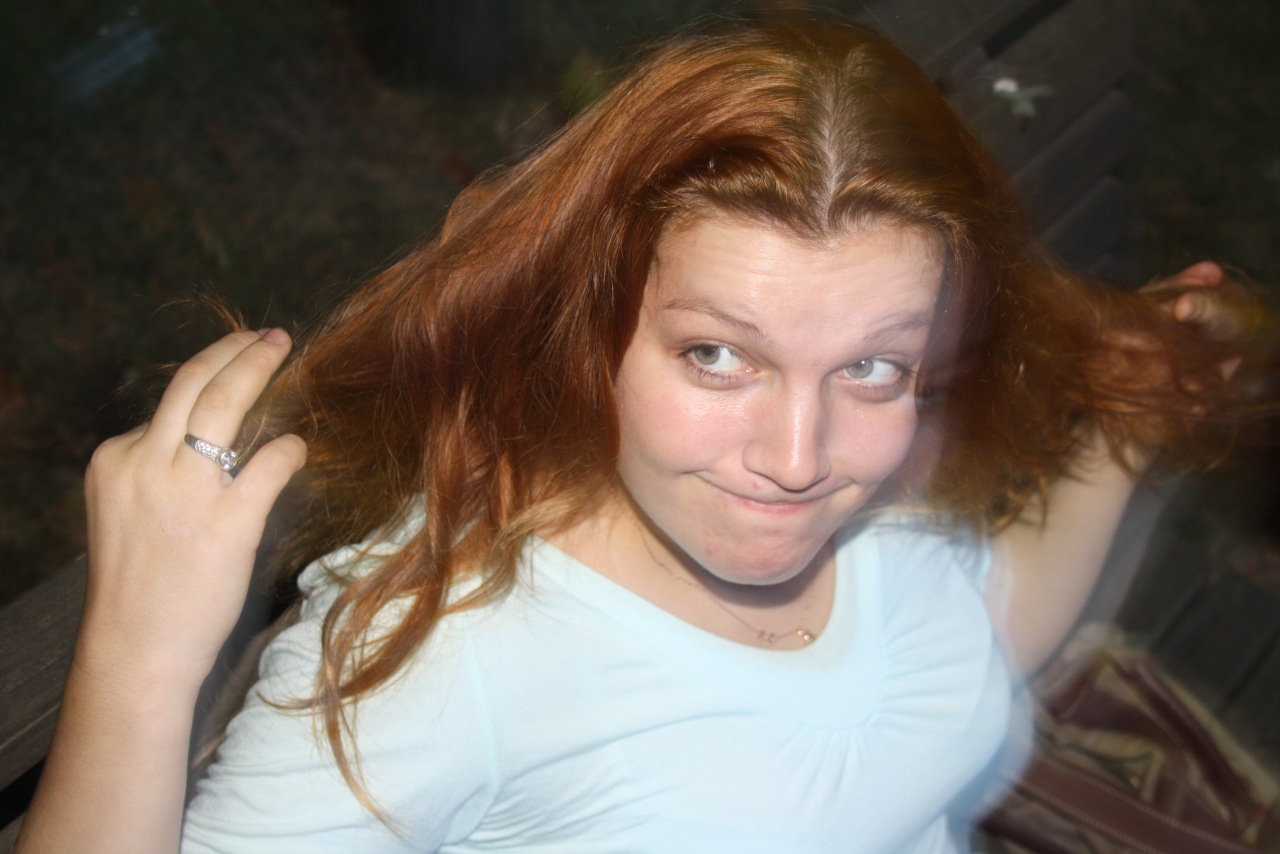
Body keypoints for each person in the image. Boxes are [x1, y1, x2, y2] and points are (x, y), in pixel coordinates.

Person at [15, 15, 1257, 854]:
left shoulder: (888, 481)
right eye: (716, 354)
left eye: (873, 365)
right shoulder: (445, 655)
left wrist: (1124, 434)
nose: (797, 455)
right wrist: (139, 654)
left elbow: (956, 652)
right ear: (589, 323)